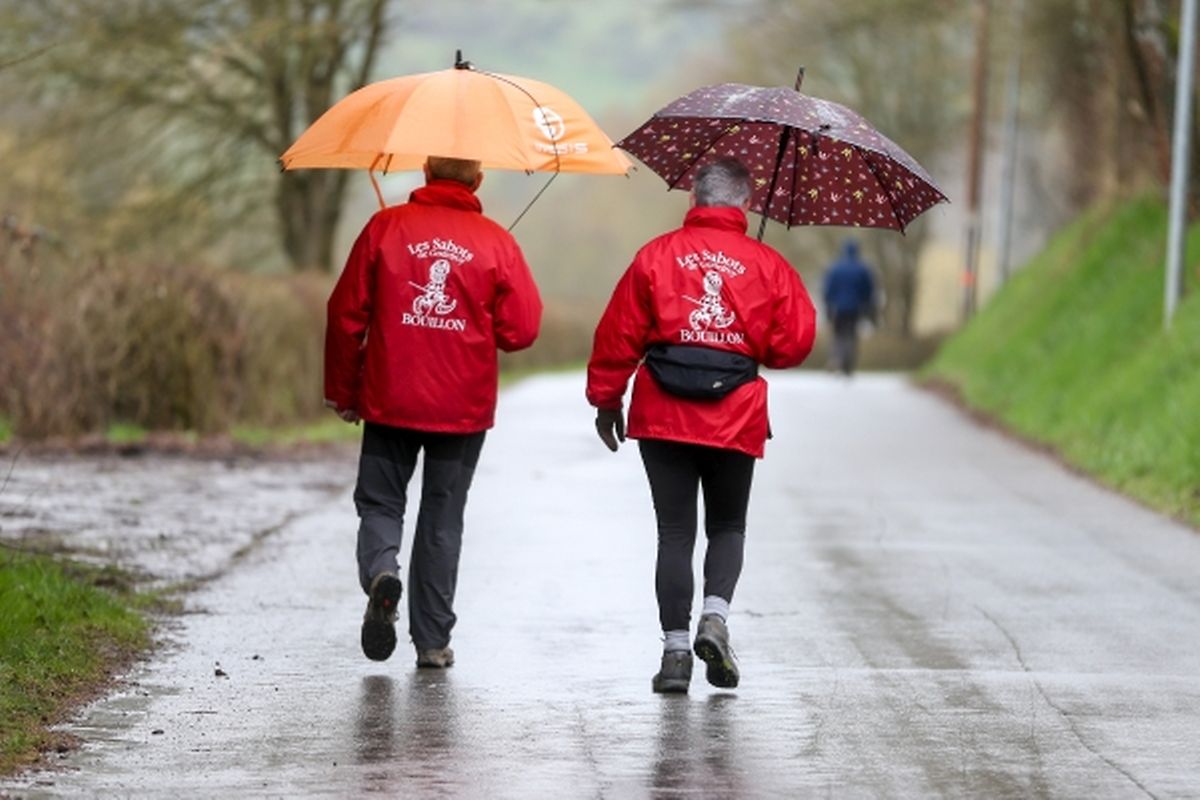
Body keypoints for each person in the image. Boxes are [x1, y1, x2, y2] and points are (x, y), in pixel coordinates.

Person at [586, 158, 816, 693]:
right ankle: (714, 616)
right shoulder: (768, 264)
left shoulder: (655, 256)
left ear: (693, 200)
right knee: (727, 526)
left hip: (662, 411)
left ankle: (674, 656)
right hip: (734, 415)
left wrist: (605, 399)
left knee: (673, 532)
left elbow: (618, 334)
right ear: (747, 204)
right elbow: (793, 344)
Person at [325, 155, 542, 668]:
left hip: (389, 398)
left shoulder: (385, 227)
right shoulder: (496, 242)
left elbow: (345, 314)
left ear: (425, 171)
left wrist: (344, 391)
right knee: (443, 519)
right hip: (462, 410)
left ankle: (383, 571)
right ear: (478, 179)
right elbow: (521, 330)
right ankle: (432, 642)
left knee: (380, 503)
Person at [821, 239, 877, 375]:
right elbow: (868, 290)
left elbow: (828, 289)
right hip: (855, 308)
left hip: (838, 308)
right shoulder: (863, 269)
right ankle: (848, 364)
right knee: (851, 336)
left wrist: (828, 305)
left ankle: (836, 359)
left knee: (838, 335)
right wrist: (867, 306)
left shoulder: (835, 268)